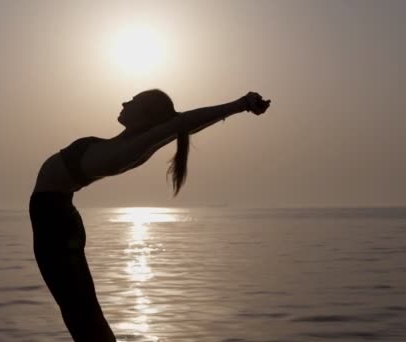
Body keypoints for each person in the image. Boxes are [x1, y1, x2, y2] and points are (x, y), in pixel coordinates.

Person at [29, 89, 271, 341]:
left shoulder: (134, 148)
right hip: (58, 218)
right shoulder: (130, 143)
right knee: (80, 312)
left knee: (80, 314)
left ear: (145, 114)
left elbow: (184, 122)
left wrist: (240, 104)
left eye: (133, 101)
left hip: (55, 223)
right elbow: (182, 124)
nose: (124, 101)